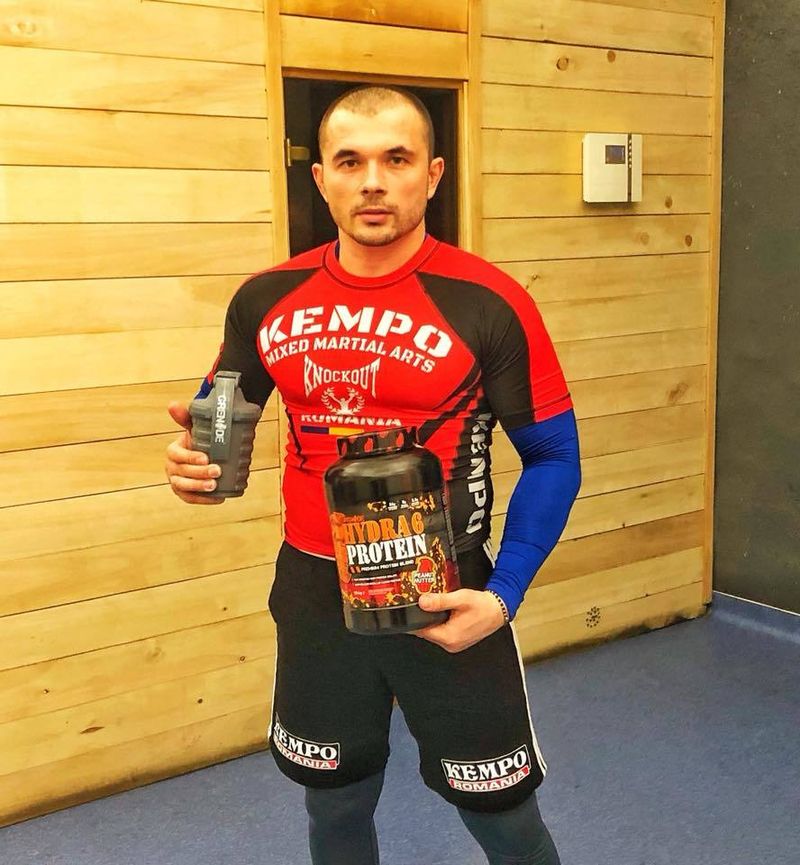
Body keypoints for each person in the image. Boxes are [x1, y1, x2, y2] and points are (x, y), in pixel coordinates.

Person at [164, 86, 581, 865]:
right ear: (321, 177)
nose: (374, 182)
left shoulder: (490, 302)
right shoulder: (266, 298)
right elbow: (218, 419)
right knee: (336, 803)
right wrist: (191, 465)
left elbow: (555, 456)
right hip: (315, 591)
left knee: (503, 817)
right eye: (351, 161)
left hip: (446, 590)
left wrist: (504, 595)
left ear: (433, 174)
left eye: (397, 159)